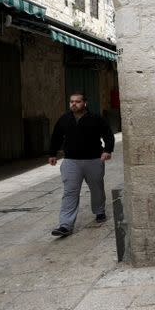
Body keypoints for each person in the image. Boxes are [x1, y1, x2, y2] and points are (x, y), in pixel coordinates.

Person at [48, 91, 114, 237]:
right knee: (70, 192)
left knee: (96, 188)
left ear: (85, 103)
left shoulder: (96, 119)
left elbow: (108, 134)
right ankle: (65, 225)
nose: (74, 104)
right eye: (71, 102)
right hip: (71, 161)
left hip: (94, 160)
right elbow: (56, 136)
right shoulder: (64, 119)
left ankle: (99, 211)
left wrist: (108, 150)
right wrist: (52, 153)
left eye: (77, 102)